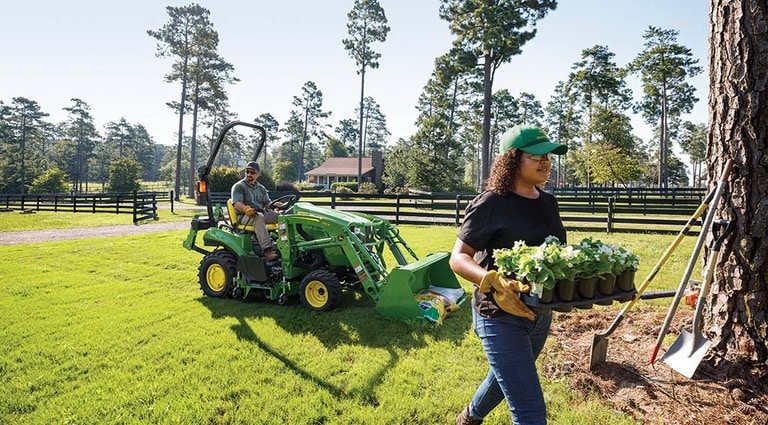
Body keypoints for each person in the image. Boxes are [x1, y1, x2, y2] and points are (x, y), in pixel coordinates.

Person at [450, 125, 568, 425]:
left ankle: (468, 419)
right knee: (530, 413)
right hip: (498, 315)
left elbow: (554, 255)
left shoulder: (548, 203)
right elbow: (459, 258)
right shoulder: (492, 203)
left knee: (503, 378)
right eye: (537, 156)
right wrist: (490, 279)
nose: (546, 162)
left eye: (548, 156)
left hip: (539, 314)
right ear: (513, 159)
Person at [231, 161, 280, 261]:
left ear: (258, 174)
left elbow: (267, 203)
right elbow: (237, 203)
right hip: (245, 216)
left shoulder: (261, 188)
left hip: (260, 213)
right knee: (258, 217)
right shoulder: (239, 186)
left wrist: (276, 206)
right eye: (247, 172)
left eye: (252, 172)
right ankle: (267, 251)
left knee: (283, 217)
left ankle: (286, 245)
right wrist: (245, 208)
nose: (249, 174)